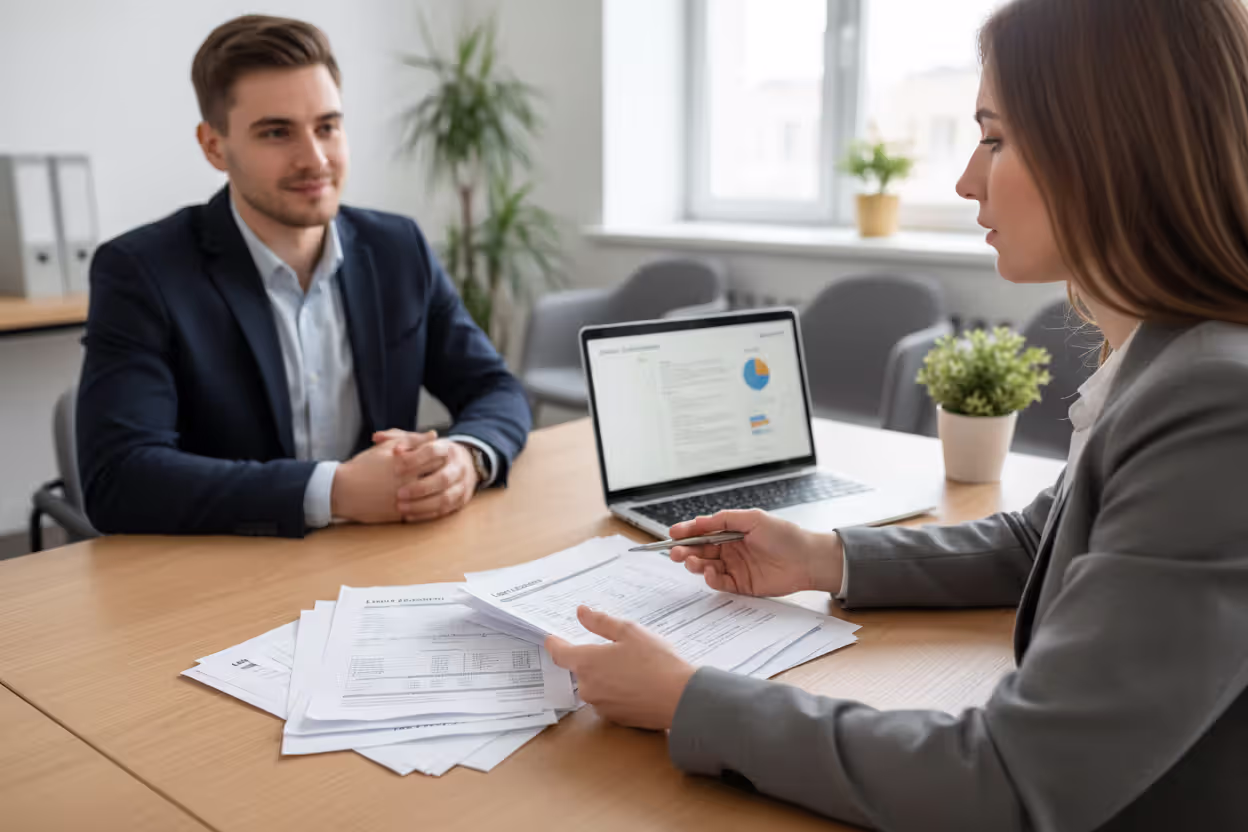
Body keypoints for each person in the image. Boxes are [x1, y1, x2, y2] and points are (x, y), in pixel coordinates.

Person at [546, 0, 1248, 828]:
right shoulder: (1170, 357)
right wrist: (820, 558)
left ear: (1110, 147)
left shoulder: (1213, 404)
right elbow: (1038, 541)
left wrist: (688, 699)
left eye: (995, 138)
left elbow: (1012, 780)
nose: (965, 180)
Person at [77, 15, 531, 538]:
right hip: (229, 572)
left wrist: (465, 457)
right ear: (214, 147)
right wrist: (336, 491)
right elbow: (120, 478)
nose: (314, 159)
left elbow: (495, 388)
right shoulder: (143, 272)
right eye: (276, 132)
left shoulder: (397, 249)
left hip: (382, 556)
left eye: (327, 127)